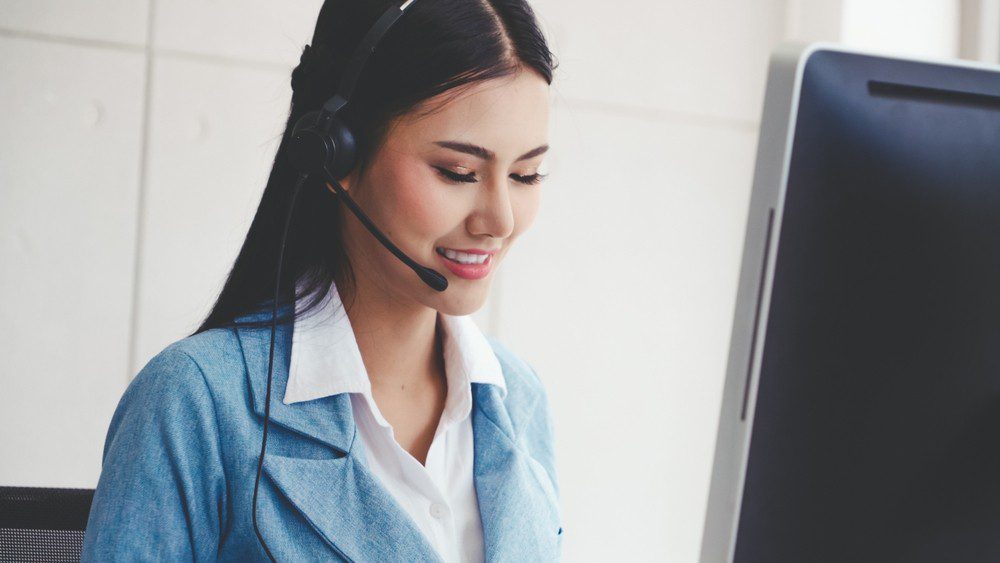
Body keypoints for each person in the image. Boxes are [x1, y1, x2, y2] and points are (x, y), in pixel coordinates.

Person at [80, 0, 561, 561]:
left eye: (527, 174)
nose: (500, 220)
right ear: (337, 157)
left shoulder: (519, 398)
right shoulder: (197, 404)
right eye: (458, 172)